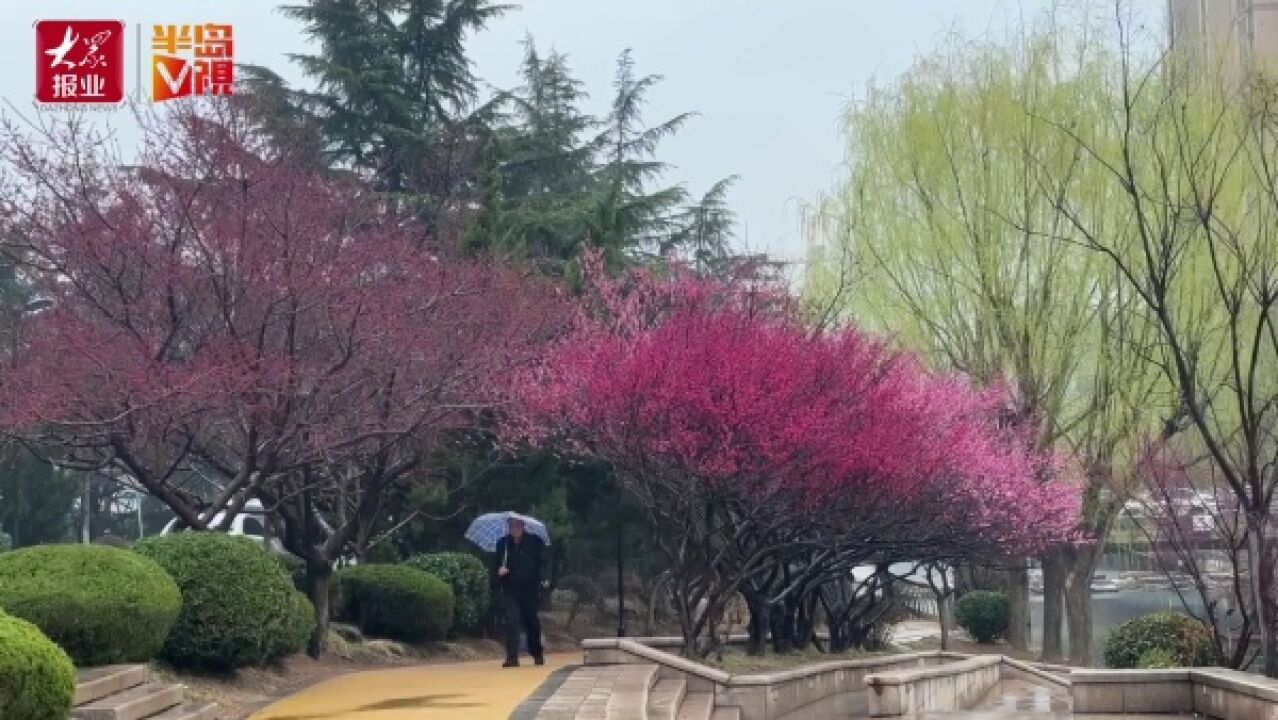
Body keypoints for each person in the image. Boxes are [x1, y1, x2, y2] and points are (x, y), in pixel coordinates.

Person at [493, 516, 549, 667]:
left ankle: (537, 652)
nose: (514, 529)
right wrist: (499, 571)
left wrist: (544, 578)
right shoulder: (502, 544)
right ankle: (512, 657)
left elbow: (543, 563)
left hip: (530, 589)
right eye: (511, 526)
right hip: (511, 589)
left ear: (523, 526)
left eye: (517, 526)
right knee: (512, 621)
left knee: (532, 622)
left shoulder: (535, 542)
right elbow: (494, 566)